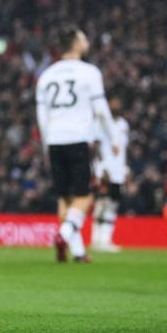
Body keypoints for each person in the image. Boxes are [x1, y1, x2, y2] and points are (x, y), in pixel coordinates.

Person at [35, 26, 116, 264]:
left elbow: (42, 116)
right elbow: (101, 110)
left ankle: (78, 252)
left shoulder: (47, 75)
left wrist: (45, 145)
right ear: (76, 44)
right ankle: (64, 234)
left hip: (54, 140)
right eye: (83, 37)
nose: (86, 40)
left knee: (64, 198)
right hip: (78, 138)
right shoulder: (89, 72)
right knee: (84, 197)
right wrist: (113, 139)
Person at [91, 110, 129, 253]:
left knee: (112, 205)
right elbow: (96, 146)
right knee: (102, 203)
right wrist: (100, 168)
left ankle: (105, 239)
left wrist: (125, 169)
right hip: (105, 170)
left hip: (118, 171)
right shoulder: (101, 122)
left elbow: (123, 148)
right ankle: (97, 239)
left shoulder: (123, 124)